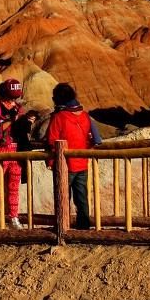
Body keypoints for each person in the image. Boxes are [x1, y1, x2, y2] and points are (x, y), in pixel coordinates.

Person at [45, 82, 103, 230]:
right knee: (81, 197)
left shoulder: (60, 117)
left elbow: (52, 140)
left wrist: (50, 160)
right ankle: (83, 226)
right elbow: (92, 139)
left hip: (64, 164)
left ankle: (62, 226)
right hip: (82, 163)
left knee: (63, 195)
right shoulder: (84, 115)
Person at [0, 78, 26, 229]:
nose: (13, 101)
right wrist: (12, 120)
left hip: (15, 150)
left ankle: (14, 217)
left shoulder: (19, 107)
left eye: (15, 98)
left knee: (14, 186)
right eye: (11, 97)